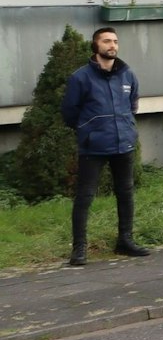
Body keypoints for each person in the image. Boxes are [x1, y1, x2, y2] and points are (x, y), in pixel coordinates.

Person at [60, 27, 149, 266]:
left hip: (124, 143)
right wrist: (88, 130)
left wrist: (127, 127)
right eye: (107, 41)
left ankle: (125, 241)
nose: (112, 45)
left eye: (115, 41)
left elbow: (133, 105)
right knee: (85, 197)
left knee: (126, 193)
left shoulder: (127, 74)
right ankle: (79, 249)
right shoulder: (81, 77)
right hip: (93, 146)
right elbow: (69, 112)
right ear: (96, 45)